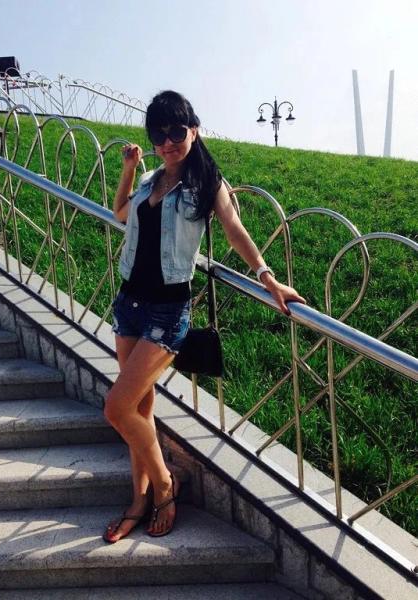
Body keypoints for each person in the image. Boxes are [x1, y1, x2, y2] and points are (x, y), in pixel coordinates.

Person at [103, 90, 306, 542]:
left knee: (117, 407)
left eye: (177, 131)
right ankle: (139, 499)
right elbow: (119, 213)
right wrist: (129, 169)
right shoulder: (149, 179)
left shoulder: (208, 184)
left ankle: (164, 486)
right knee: (138, 407)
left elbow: (235, 231)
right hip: (129, 304)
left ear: (194, 130)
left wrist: (268, 278)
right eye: (159, 135)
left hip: (167, 311)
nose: (168, 142)